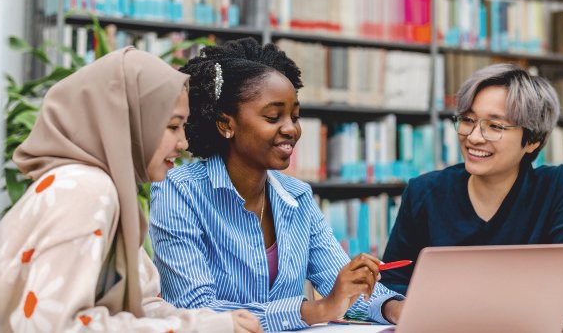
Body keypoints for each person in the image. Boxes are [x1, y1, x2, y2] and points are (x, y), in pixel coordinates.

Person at [0, 48, 261, 332]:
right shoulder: (86, 190)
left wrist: (216, 323)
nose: (183, 144)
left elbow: (140, 307)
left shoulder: (99, 188)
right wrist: (203, 327)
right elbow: (56, 327)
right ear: (127, 122)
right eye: (172, 126)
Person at [149, 38, 404, 332]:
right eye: (273, 117)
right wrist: (314, 310)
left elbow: (340, 286)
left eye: (295, 117)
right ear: (226, 124)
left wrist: (395, 308)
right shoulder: (179, 190)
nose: (291, 129)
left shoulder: (298, 197)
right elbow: (195, 308)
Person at [380, 63, 563, 295]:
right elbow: (392, 282)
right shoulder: (424, 192)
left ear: (532, 141)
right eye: (468, 120)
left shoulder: (558, 187)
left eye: (495, 126)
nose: (474, 137)